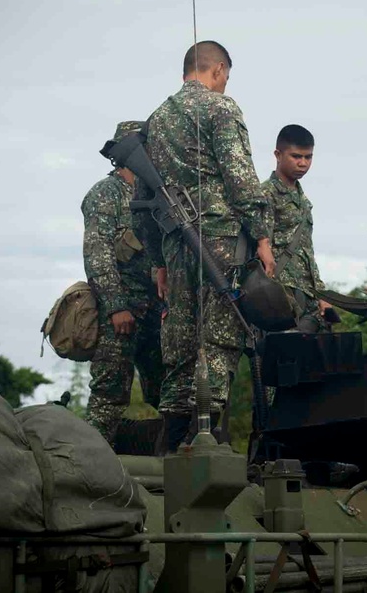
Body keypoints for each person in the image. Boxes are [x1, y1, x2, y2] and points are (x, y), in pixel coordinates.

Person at [140, 41, 275, 452]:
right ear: (217, 70)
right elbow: (241, 180)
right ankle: (198, 446)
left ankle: (172, 445)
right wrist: (264, 237)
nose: (224, 86)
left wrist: (157, 259)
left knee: (181, 346)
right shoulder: (221, 108)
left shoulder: (156, 121)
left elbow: (141, 204)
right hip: (219, 244)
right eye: (226, 78)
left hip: (177, 247)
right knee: (217, 341)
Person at [81, 120, 164, 448]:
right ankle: (89, 469)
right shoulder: (105, 193)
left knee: (171, 396)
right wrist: (116, 307)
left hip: (156, 314)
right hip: (121, 316)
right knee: (108, 398)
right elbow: (97, 256)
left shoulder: (155, 195)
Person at [262, 124, 331, 333]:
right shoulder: (266, 194)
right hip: (280, 296)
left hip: (307, 296)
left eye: (308, 157)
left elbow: (307, 253)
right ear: (278, 154)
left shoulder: (303, 200)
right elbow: (261, 249)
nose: (303, 163)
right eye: (296, 156)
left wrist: (322, 295)